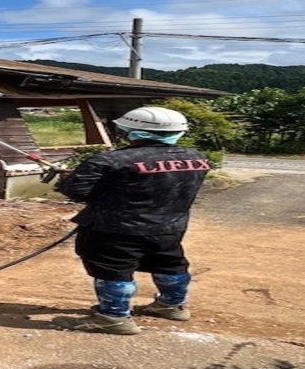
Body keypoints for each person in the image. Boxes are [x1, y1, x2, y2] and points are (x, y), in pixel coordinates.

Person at [55, 106, 212, 335]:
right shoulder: (196, 158)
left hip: (115, 229)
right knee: (170, 264)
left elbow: (76, 191)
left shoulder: (111, 160)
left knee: (113, 270)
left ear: (131, 132)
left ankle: (113, 317)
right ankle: (172, 305)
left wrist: (70, 177)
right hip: (169, 227)